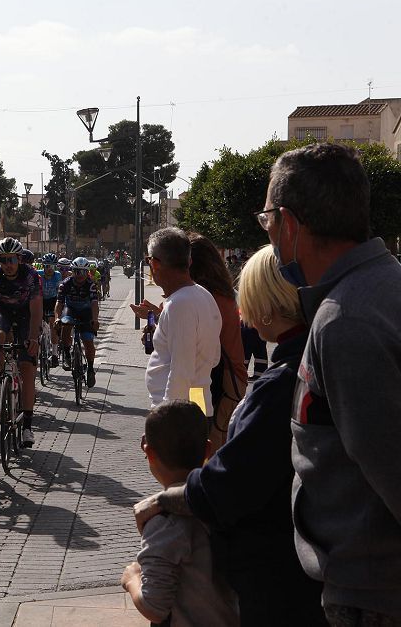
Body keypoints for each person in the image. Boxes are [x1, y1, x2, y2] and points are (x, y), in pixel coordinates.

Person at [132, 246, 326, 626]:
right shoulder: (309, 356)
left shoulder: (281, 382)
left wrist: (168, 496)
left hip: (274, 574)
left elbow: (234, 478)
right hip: (202, 396)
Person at [259, 143, 401, 623]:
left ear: (290, 224)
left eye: (268, 222)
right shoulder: (379, 288)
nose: (271, 238)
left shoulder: (346, 320)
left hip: (373, 594)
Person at [121, 400, 238, 625]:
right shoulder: (225, 504)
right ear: (208, 449)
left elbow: (155, 607)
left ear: (148, 451)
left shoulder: (162, 522)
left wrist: (132, 578)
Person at [132, 228, 222, 418]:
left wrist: (164, 420)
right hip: (196, 400)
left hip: (177, 414)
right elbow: (213, 358)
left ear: (154, 264)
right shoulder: (203, 296)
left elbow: (181, 371)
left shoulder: (179, 304)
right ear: (188, 261)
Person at [187, 233, 247, 448]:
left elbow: (198, 340)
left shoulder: (206, 297)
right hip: (225, 378)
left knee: (206, 442)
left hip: (215, 381)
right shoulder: (222, 293)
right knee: (211, 438)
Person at [0, 237, 42, 447]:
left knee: (27, 370)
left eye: (11, 259)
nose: (7, 264)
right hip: (4, 313)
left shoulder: (31, 275)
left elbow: (36, 309)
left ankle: (27, 426)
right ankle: (0, 381)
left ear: (20, 259)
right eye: (2, 259)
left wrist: (34, 338)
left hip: (26, 314)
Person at [57, 256, 100, 388]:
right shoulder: (65, 284)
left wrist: (95, 320)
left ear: (87, 272)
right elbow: (59, 303)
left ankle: (91, 369)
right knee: (66, 323)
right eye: (76, 271)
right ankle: (66, 355)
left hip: (86, 312)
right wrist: (58, 317)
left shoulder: (91, 285)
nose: (79, 275)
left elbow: (94, 305)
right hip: (70, 310)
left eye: (82, 272)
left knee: (88, 341)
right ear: (72, 271)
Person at [37, 253, 63, 368]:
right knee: (36, 324)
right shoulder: (38, 275)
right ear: (43, 266)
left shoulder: (57, 276)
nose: (50, 269)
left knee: (53, 324)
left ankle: (54, 354)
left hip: (53, 300)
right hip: (41, 301)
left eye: (53, 267)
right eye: (47, 266)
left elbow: (59, 294)